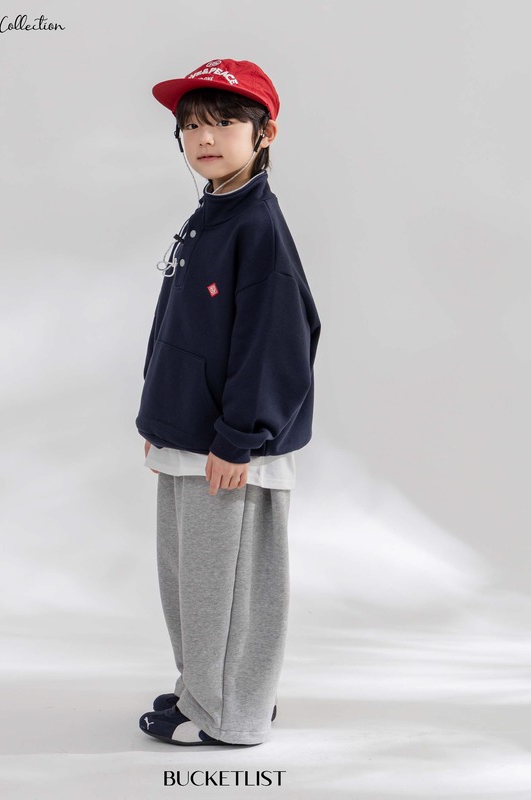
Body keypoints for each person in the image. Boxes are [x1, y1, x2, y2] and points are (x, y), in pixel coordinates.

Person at [135, 58, 321, 746]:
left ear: (265, 133)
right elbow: (182, 328)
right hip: (190, 436)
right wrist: (160, 417)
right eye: (192, 126)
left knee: (232, 587)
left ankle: (230, 716)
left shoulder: (257, 227)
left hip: (230, 446)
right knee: (192, 584)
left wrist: (240, 438)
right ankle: (204, 692)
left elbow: (277, 342)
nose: (205, 138)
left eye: (224, 122)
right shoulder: (211, 215)